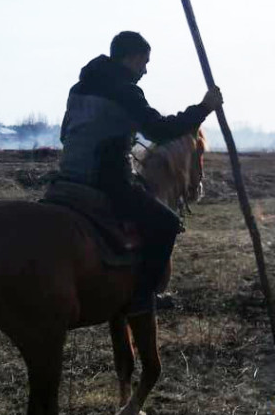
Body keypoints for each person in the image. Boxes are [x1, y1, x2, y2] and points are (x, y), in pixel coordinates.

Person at [58, 31, 223, 316]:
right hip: (106, 180)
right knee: (167, 223)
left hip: (66, 178)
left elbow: (65, 134)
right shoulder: (125, 90)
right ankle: (143, 298)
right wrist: (204, 108)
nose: (145, 71)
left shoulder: (78, 88)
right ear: (132, 58)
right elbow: (159, 129)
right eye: (144, 63)